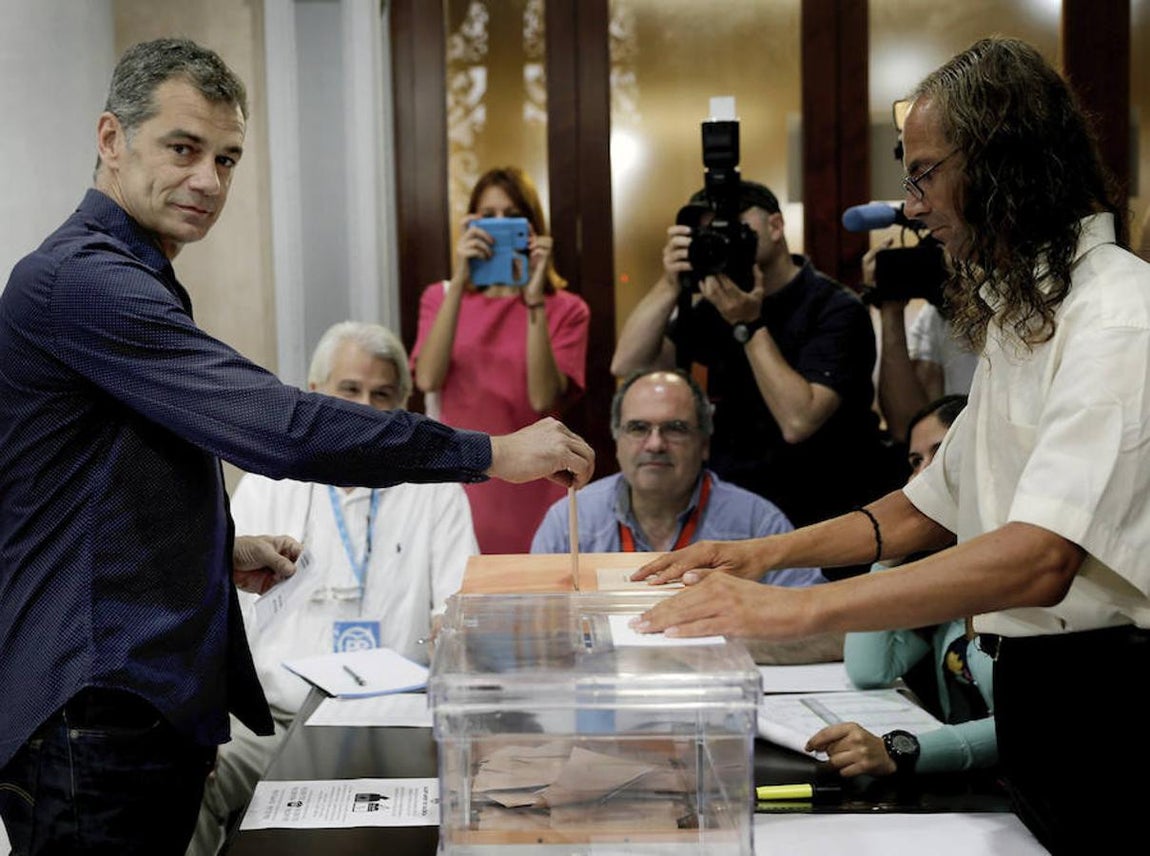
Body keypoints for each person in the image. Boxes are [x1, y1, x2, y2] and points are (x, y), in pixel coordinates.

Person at [0, 38, 592, 856]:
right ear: (111, 140)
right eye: (183, 148)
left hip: (130, 702)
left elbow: (90, 489)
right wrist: (489, 452)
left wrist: (212, 547)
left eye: (228, 158)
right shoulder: (85, 282)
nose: (209, 180)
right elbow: (281, 424)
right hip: (92, 704)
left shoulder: (129, 274)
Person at [630, 37, 1148, 854]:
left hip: (1111, 702)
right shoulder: (1028, 319)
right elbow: (926, 507)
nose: (911, 207)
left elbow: (1039, 556)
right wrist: (762, 556)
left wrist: (798, 605)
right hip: (1039, 702)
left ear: (1003, 166)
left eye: (923, 174)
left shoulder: (1119, 317)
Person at [189, 321, 478, 856]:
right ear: (315, 395)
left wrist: (449, 632)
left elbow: (460, 606)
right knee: (189, 781)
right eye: (349, 391)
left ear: (404, 408)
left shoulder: (436, 491)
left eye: (382, 395)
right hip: (271, 720)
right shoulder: (265, 484)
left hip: (396, 722)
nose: (364, 408)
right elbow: (214, 612)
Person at [611, 180, 900, 573]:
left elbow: (799, 420)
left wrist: (748, 325)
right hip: (740, 514)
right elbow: (628, 366)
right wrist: (669, 283)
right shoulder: (717, 303)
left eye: (734, 228)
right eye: (712, 234)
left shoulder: (835, 308)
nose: (724, 241)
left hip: (826, 515)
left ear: (776, 227)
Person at [806, 395, 997, 778]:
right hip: (973, 792)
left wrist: (902, 751)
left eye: (941, 455)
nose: (922, 477)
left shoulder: (1031, 574)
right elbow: (869, 668)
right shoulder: (946, 582)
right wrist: (891, 554)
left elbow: (1027, 725)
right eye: (914, 463)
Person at [412, 166, 590, 554]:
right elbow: (427, 377)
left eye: (511, 216)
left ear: (531, 227)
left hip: (537, 489)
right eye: (488, 216)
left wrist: (534, 299)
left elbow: (544, 399)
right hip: (460, 485)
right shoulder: (440, 298)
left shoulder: (566, 309)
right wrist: (460, 280)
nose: (499, 226)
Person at [532, 368, 824, 587]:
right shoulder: (568, 522)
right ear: (617, 440)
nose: (655, 444)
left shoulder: (758, 524)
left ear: (705, 443)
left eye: (675, 428)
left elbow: (817, 621)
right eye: (638, 428)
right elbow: (540, 624)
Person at [870, 237, 977, 442]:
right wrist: (891, 308)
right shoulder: (938, 316)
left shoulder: (1021, 314)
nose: (951, 279)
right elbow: (907, 427)